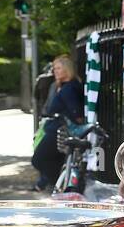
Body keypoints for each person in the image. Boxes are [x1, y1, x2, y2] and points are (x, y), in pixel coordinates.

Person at [31, 54, 85, 190]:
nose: (55, 71)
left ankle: (59, 186)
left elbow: (77, 115)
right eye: (54, 68)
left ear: (67, 69)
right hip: (57, 129)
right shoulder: (65, 86)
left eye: (59, 68)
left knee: (38, 159)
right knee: (53, 160)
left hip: (59, 130)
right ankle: (60, 185)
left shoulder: (69, 88)